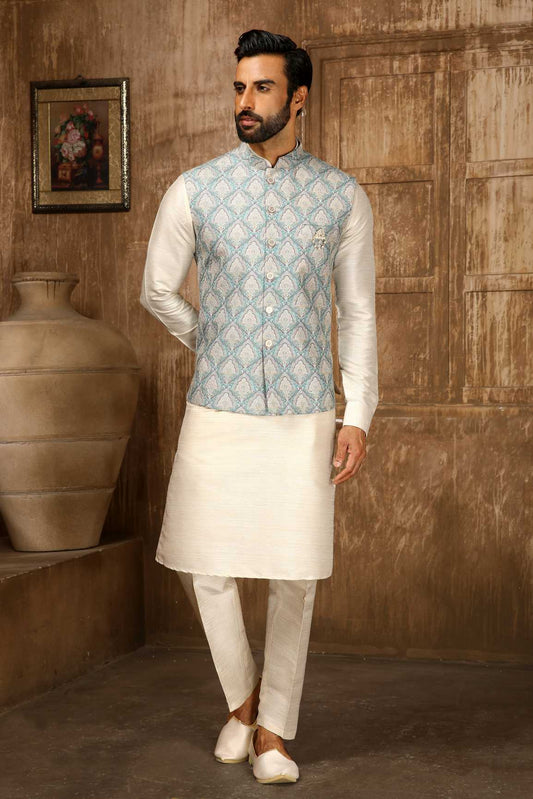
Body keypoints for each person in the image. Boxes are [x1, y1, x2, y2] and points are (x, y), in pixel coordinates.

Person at [140, 28, 378, 785]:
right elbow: (157, 289)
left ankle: (274, 731)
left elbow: (357, 312)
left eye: (263, 88)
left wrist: (357, 412)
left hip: (304, 411)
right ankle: (242, 703)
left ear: (297, 97)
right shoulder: (196, 189)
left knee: (293, 576)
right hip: (218, 404)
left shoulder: (340, 197)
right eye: (240, 87)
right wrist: (210, 337)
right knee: (205, 565)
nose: (246, 101)